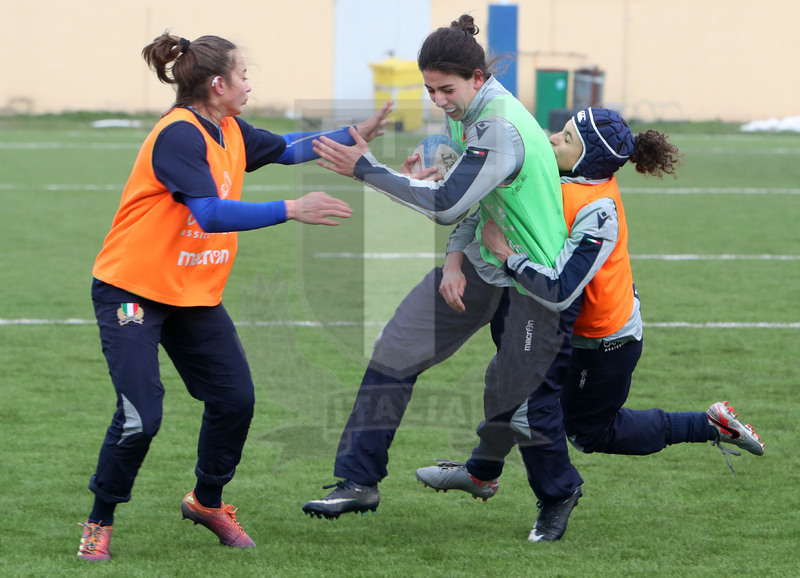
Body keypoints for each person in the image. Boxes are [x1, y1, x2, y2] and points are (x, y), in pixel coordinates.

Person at [77, 32, 392, 561]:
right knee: (141, 416)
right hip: (131, 292)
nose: (250, 85)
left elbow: (287, 147)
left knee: (234, 400)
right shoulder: (179, 135)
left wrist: (353, 133)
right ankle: (99, 520)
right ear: (218, 84)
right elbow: (209, 214)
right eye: (244, 75)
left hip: (192, 294)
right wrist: (291, 209)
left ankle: (206, 501)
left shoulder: (229, 129)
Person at [415, 107, 765, 539]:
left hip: (603, 341)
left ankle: (708, 425)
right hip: (559, 327)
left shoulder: (598, 210)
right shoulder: (556, 177)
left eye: (567, 139)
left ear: (587, 159)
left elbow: (561, 288)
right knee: (507, 385)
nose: (553, 139)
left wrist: (507, 257)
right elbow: (487, 207)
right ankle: (481, 473)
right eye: (560, 132)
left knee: (591, 432)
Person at [301, 15, 584, 541]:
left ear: (477, 78)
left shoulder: (499, 125)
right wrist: (454, 259)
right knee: (394, 351)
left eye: (446, 89)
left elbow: (447, 204)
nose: (438, 100)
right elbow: (475, 202)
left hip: (532, 284)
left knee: (520, 402)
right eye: (430, 89)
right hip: (481, 266)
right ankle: (358, 481)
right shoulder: (468, 114)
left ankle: (557, 493)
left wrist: (366, 168)